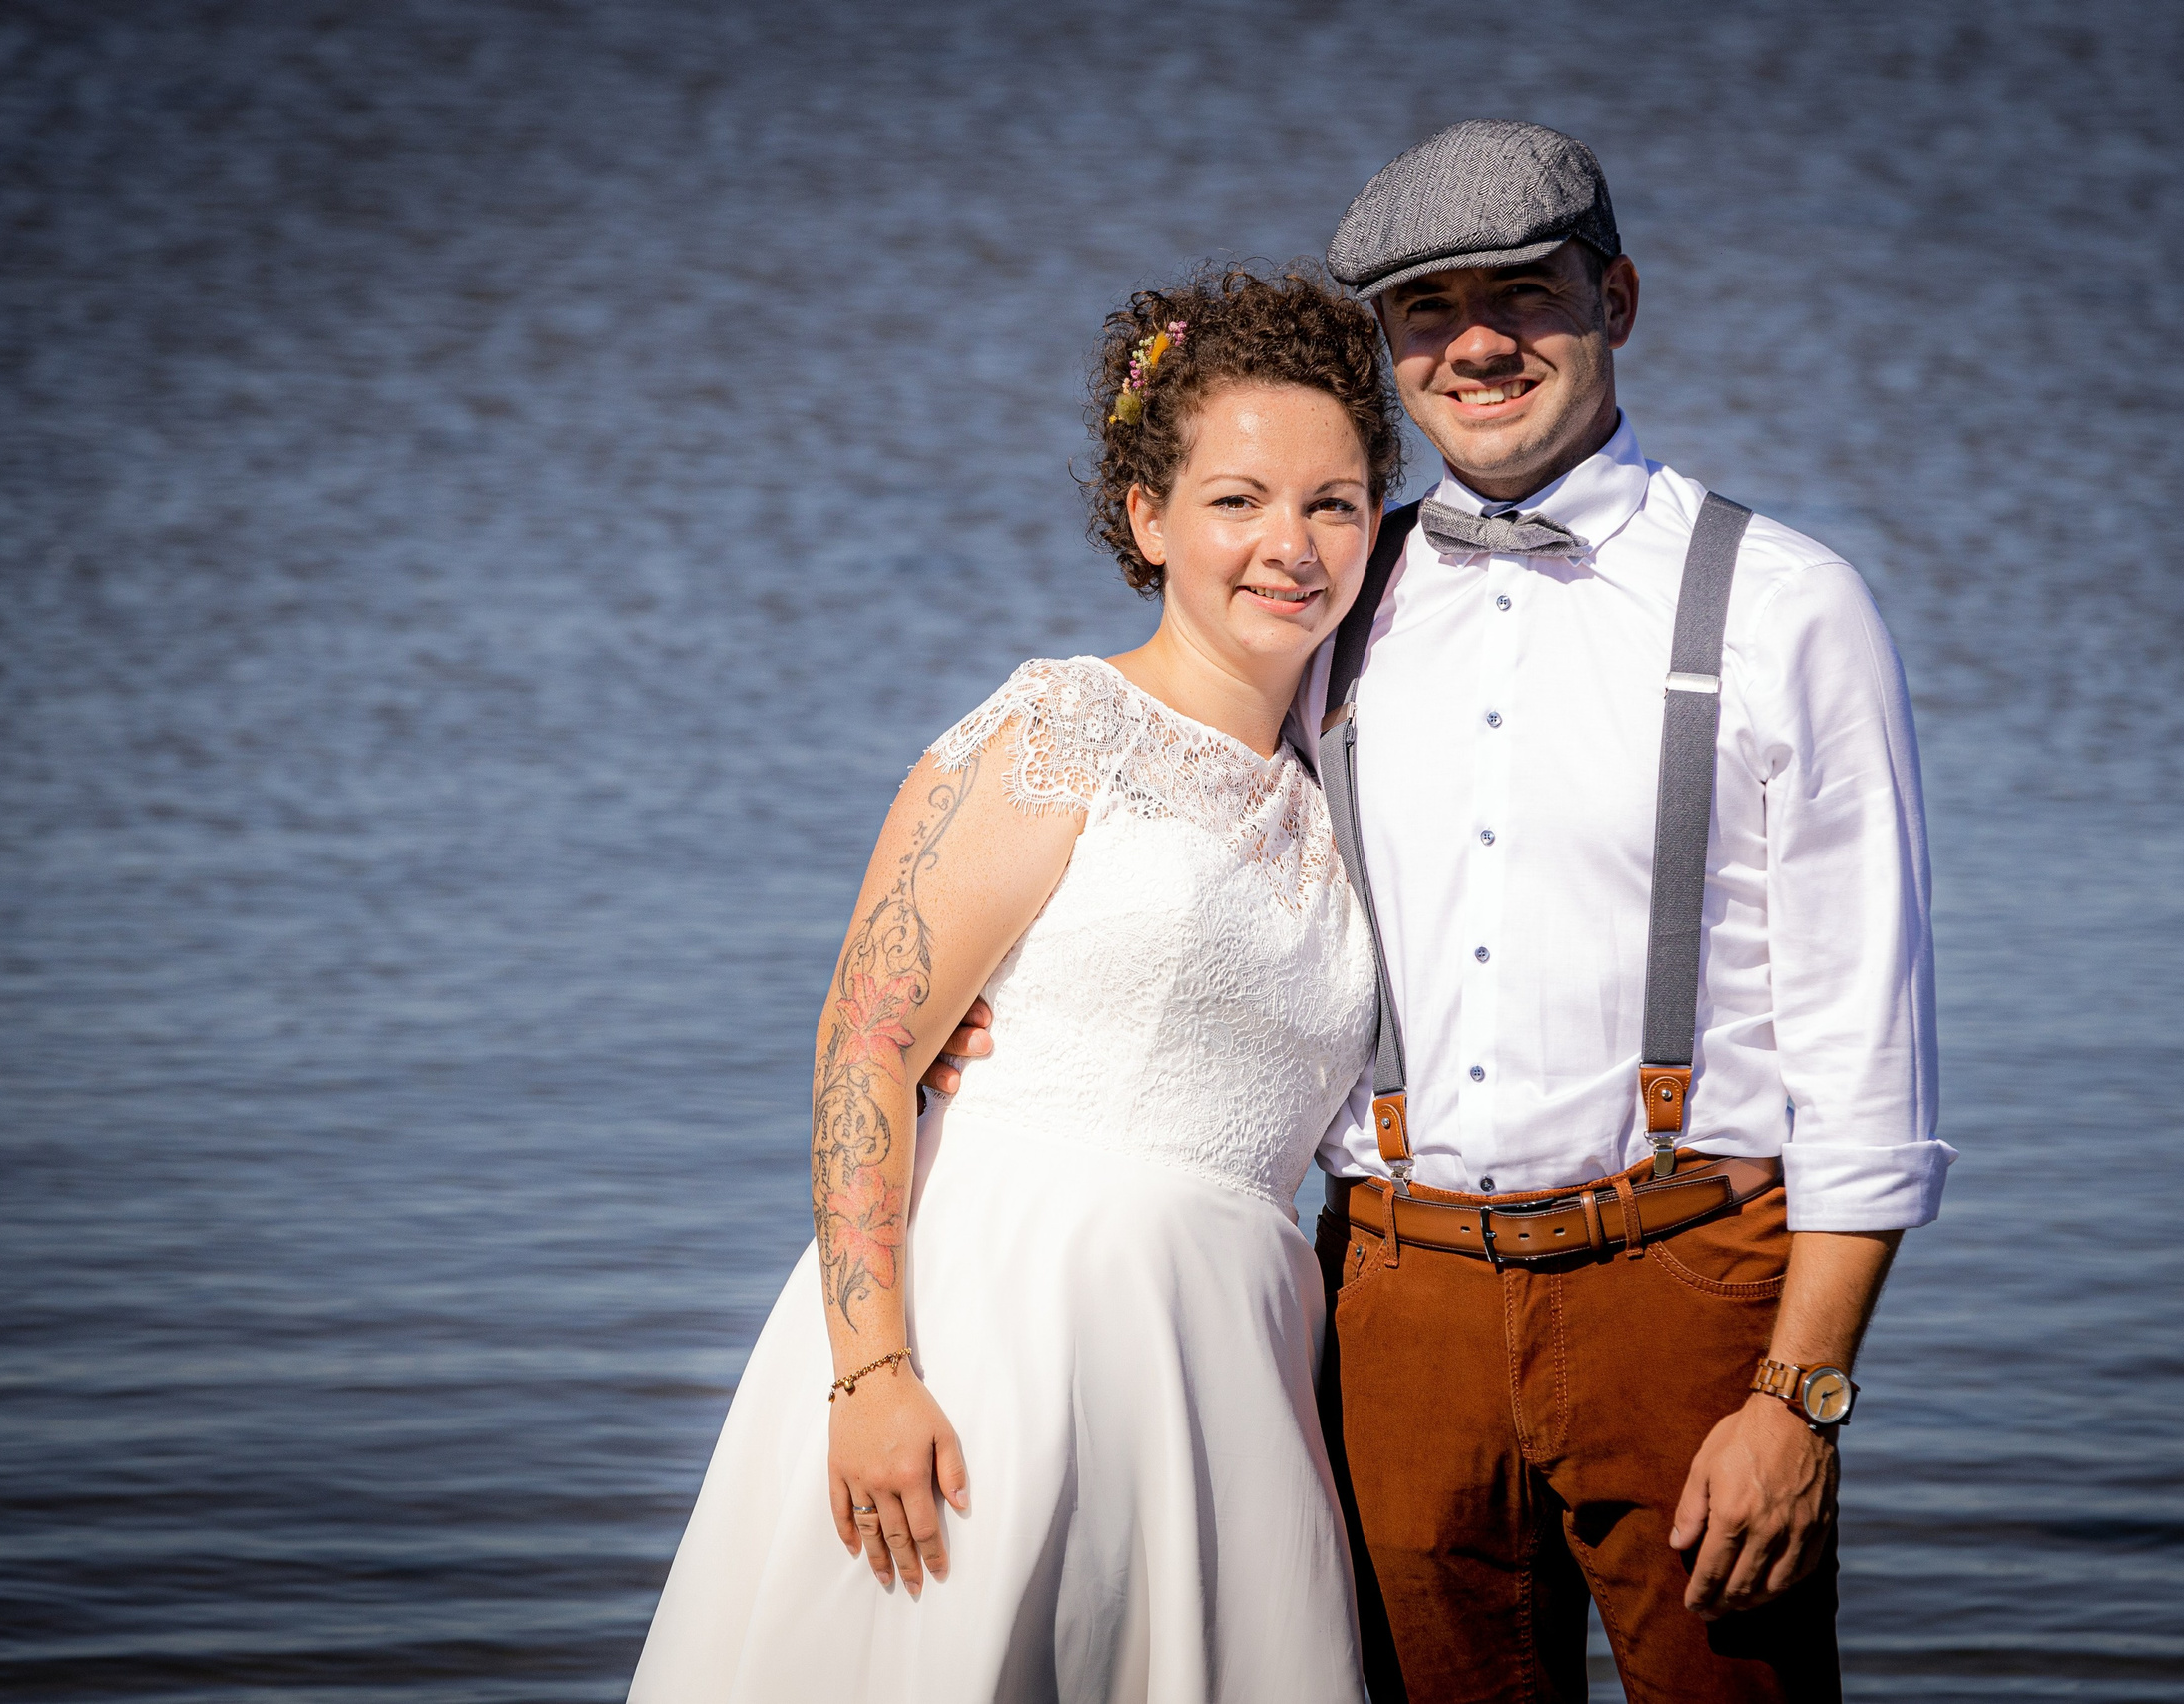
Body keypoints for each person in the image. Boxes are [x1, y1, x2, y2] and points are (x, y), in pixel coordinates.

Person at [935, 121, 1954, 1702]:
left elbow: (1868, 1055)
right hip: (1394, 1299)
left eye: (1524, 296)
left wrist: (1799, 1397)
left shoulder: (1784, 605)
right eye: (1428, 310)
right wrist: (990, 1033)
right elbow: (1172, 844)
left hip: (1685, 1289)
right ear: (1392, 349)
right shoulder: (1336, 594)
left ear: (1615, 296)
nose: (1477, 344)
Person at [627, 267, 1403, 1703]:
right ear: (1148, 519)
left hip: (1230, 1363)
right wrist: (869, 1376)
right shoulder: (1056, 729)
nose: (1288, 545)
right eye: (1237, 500)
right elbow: (864, 1043)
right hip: (994, 1333)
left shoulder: (1341, 800)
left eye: (1333, 502)